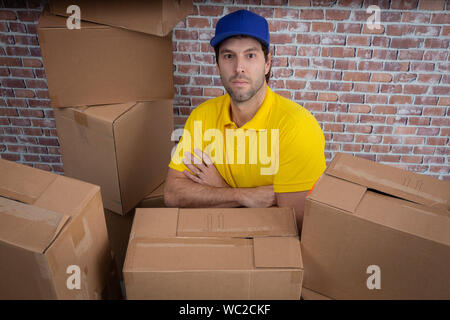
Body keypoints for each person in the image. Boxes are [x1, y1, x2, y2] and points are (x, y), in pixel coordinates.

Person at [164, 9, 326, 232]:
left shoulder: (298, 127)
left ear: (267, 63)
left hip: (272, 254)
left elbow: (294, 226)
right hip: (214, 239)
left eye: (250, 55)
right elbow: (173, 194)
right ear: (218, 64)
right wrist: (242, 195)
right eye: (229, 56)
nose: (239, 67)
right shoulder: (202, 116)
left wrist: (217, 190)